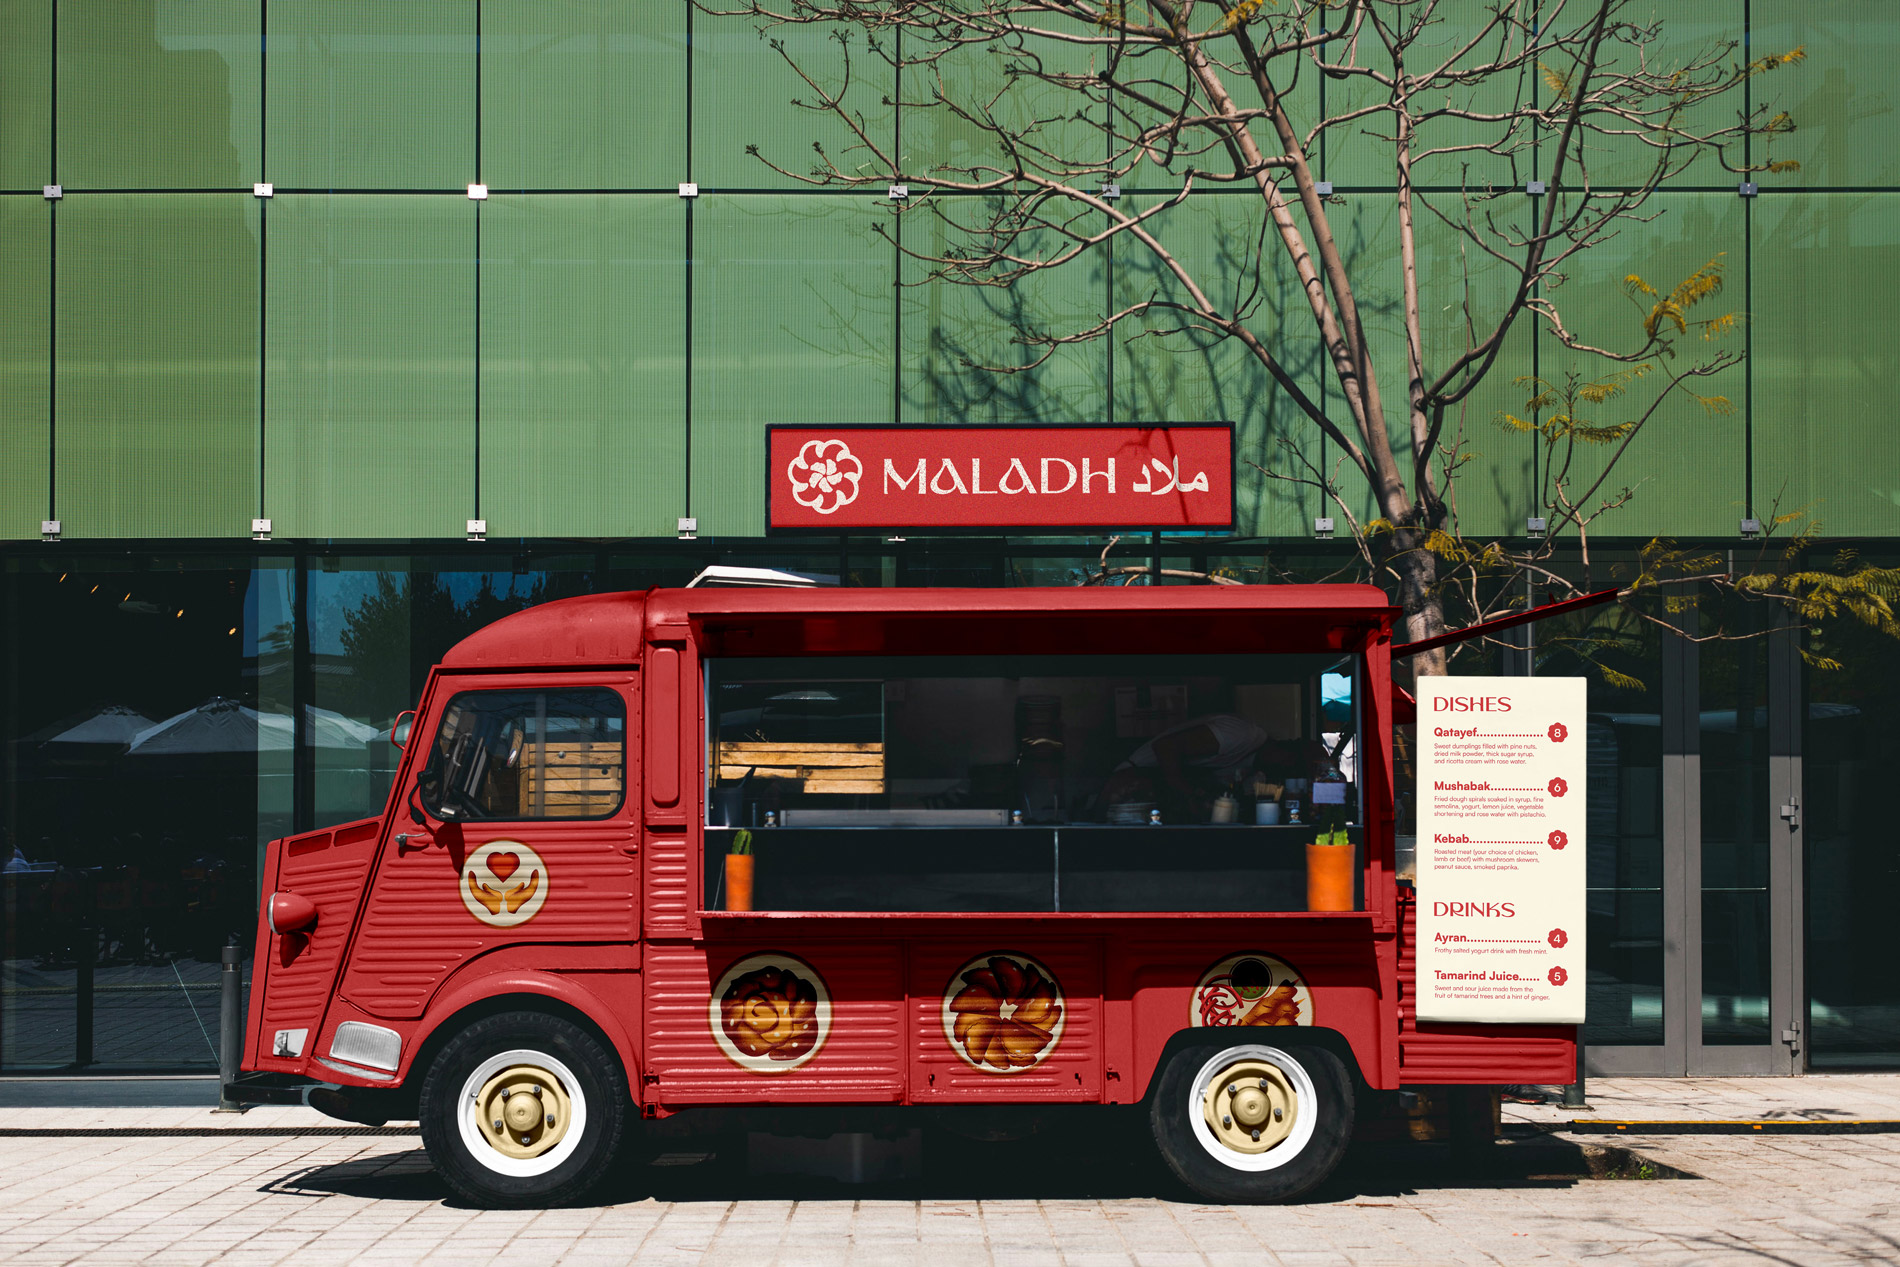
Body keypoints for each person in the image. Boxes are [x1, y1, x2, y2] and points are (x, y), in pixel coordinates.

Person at [1108, 714, 1269, 823]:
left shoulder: (1247, 761)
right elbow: (1165, 747)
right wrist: (1188, 791)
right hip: (1135, 784)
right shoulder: (1241, 734)